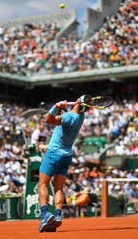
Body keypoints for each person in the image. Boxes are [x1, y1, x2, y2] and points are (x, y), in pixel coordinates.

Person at [37, 94, 91, 232]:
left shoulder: (68, 117)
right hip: (67, 156)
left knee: (42, 184)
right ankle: (58, 214)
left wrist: (56, 106)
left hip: (54, 153)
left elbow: (48, 120)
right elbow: (70, 114)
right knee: (58, 187)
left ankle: (44, 214)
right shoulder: (80, 117)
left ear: (78, 102)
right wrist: (63, 108)